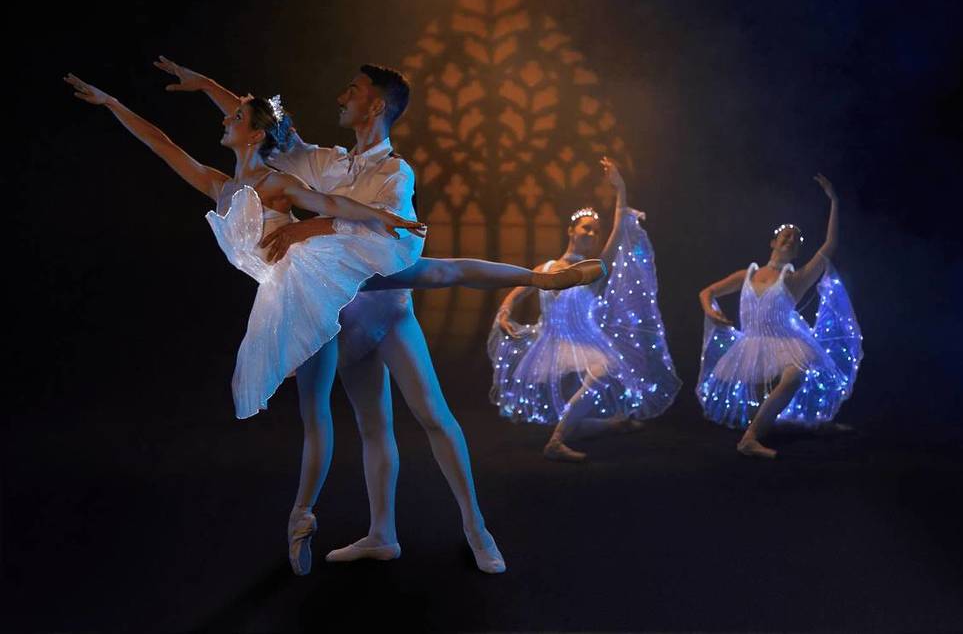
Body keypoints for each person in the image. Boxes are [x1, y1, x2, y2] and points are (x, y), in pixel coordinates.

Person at [153, 56, 575, 574]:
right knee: (372, 426)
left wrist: (306, 228)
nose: (341, 98)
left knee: (433, 415)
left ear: (374, 106)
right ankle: (382, 534)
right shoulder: (327, 163)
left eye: (352, 91)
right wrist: (206, 86)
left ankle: (476, 528)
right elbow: (263, 126)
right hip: (347, 316)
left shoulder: (395, 172)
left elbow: (385, 233)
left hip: (389, 309)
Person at [489, 158, 681, 461]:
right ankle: (612, 426)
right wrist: (504, 313)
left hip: (586, 342)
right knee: (573, 416)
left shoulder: (594, 270)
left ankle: (557, 441)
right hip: (551, 342)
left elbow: (618, 230)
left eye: (595, 231)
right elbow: (517, 291)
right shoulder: (546, 268)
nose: (591, 234)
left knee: (602, 373)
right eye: (586, 229)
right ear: (571, 230)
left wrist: (620, 189)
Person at [696, 174, 863, 459]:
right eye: (785, 235)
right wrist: (710, 310)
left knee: (794, 375)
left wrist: (834, 201)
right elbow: (707, 291)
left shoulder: (795, 279)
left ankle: (749, 440)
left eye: (795, 239)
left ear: (796, 251)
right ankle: (802, 426)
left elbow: (829, 245)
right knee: (765, 411)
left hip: (785, 343)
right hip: (751, 346)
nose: (790, 238)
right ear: (773, 242)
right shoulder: (747, 274)